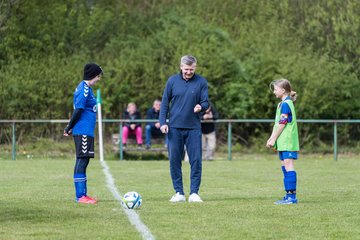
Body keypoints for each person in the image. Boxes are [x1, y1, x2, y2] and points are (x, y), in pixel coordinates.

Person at [159, 55, 209, 203]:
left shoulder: (201, 82)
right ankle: (179, 192)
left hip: (194, 128)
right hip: (174, 128)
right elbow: (164, 104)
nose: (188, 72)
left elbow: (206, 102)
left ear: (195, 68)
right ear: (181, 67)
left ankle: (194, 193)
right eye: (186, 69)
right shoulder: (172, 81)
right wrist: (162, 122)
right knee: (174, 160)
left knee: (196, 160)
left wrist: (201, 106)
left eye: (191, 69)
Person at [63, 63, 103, 204]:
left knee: (84, 161)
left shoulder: (87, 89)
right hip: (83, 131)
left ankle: (83, 195)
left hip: (86, 131)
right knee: (82, 160)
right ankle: (80, 196)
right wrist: (69, 127)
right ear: (92, 75)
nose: (99, 79)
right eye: (98, 76)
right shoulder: (84, 90)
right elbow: (78, 110)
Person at [266, 78, 299, 205]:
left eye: (275, 89)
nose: (274, 92)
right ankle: (288, 195)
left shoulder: (286, 104)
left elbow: (282, 123)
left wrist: (273, 138)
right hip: (282, 141)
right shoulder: (282, 103)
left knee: (289, 166)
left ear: (283, 90)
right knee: (284, 167)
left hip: (288, 141)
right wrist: (272, 137)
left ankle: (292, 197)